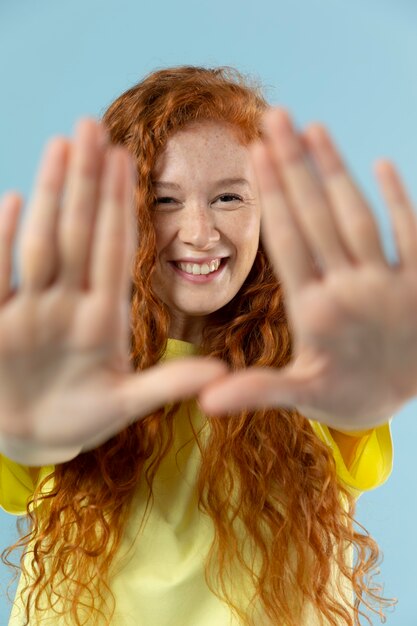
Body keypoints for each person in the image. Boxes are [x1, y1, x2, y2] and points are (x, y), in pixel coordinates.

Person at [5, 63, 417, 625]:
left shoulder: (316, 362)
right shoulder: (66, 359)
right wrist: (23, 432)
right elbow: (17, 463)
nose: (200, 233)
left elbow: (359, 436)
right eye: (163, 201)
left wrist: (362, 415)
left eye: (228, 198)